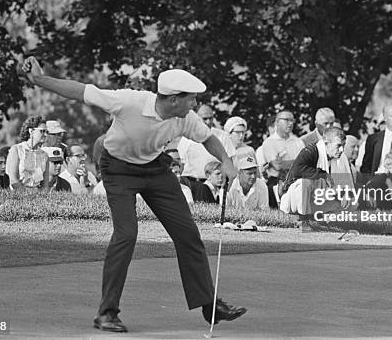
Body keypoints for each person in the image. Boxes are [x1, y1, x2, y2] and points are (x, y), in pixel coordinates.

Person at [20, 56, 245, 333]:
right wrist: (40, 80)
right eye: (192, 99)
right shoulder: (130, 101)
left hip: (156, 170)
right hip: (118, 170)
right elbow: (81, 91)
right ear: (174, 99)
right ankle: (106, 314)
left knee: (188, 234)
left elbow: (208, 137)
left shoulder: (185, 117)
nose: (195, 104)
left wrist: (226, 160)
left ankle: (211, 306)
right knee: (126, 235)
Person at [280, 127, 352, 231]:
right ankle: (302, 220)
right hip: (294, 199)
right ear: (326, 143)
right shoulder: (310, 151)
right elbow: (297, 171)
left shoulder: (341, 158)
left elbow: (347, 185)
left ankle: (321, 221)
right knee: (305, 183)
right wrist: (323, 175)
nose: (342, 150)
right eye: (339, 146)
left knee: (347, 201)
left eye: (343, 146)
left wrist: (345, 194)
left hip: (317, 199)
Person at [258, 110, 305, 209]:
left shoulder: (298, 142)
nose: (291, 123)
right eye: (287, 120)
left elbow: (304, 164)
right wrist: (296, 162)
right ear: (277, 122)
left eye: (292, 120)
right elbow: (277, 166)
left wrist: (285, 163)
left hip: (295, 182)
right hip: (275, 183)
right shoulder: (269, 142)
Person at [178, 104, 236, 182]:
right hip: (194, 184)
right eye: (205, 119)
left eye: (211, 118)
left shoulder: (222, 136)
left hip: (217, 184)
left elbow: (230, 163)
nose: (208, 122)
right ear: (196, 118)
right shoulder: (186, 139)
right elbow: (181, 165)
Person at [5, 116, 49, 190]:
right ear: (31, 131)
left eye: (47, 132)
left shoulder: (45, 155)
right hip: (18, 195)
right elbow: (13, 179)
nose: (45, 135)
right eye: (42, 131)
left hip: (38, 197)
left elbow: (45, 185)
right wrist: (27, 195)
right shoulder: (16, 150)